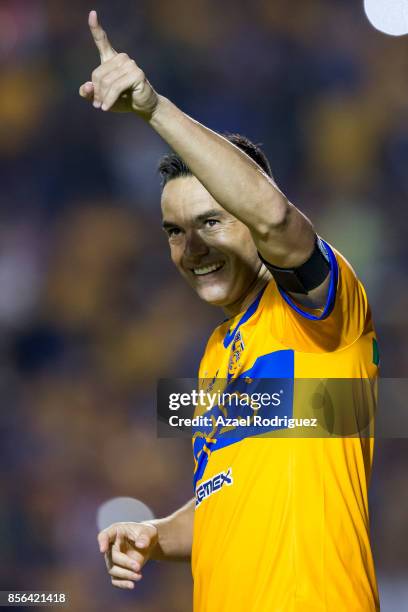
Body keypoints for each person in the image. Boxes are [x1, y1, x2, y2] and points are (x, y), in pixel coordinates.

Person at [79, 10, 380, 612]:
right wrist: (158, 534)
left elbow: (275, 219)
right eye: (173, 230)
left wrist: (153, 109)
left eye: (210, 222)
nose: (191, 248)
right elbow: (230, 494)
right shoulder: (218, 354)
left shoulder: (318, 313)